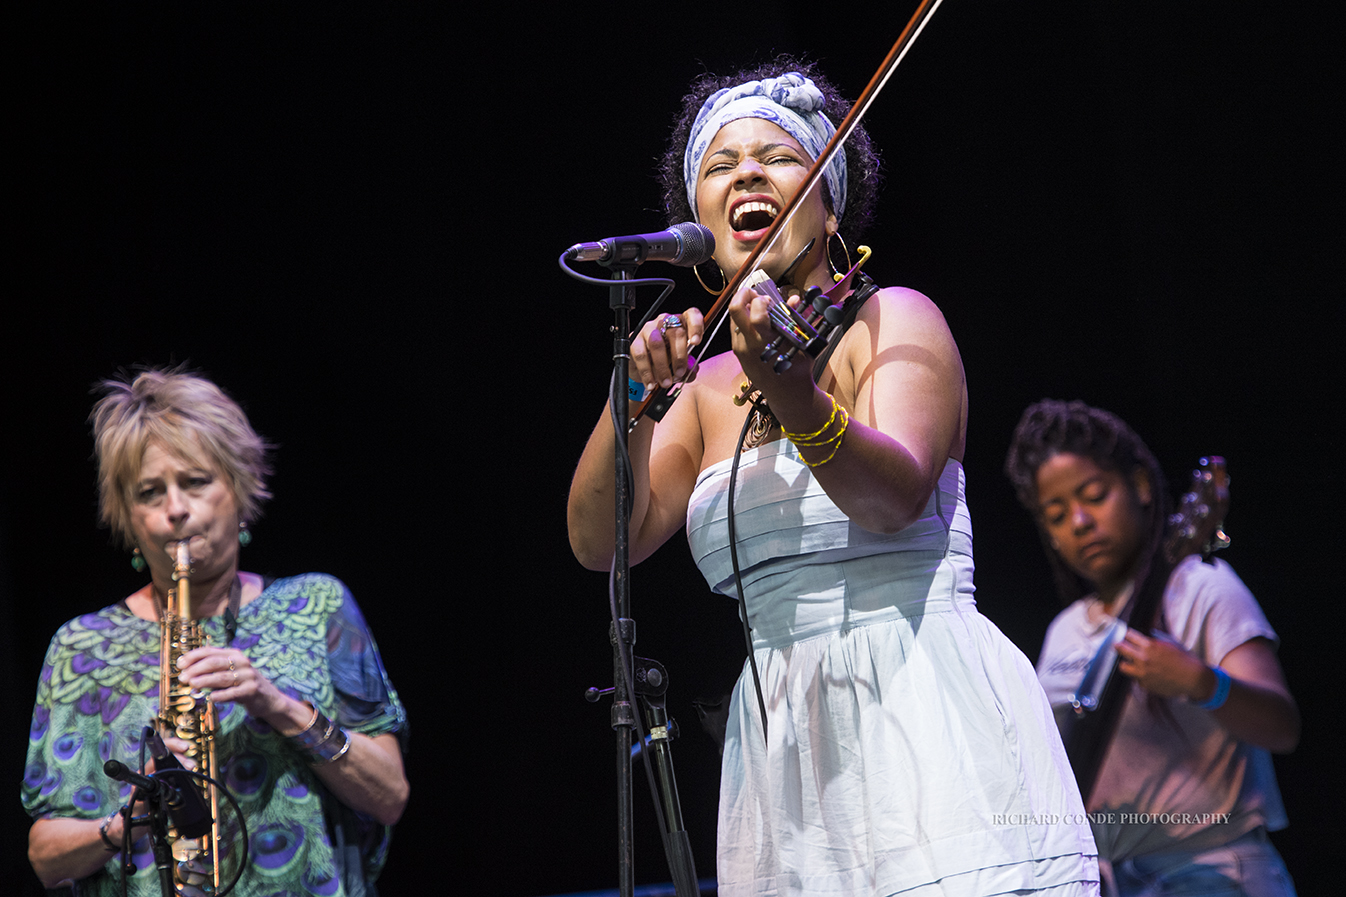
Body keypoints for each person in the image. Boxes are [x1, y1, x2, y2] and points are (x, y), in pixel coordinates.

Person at [568, 59, 1098, 896]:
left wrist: (788, 386)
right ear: (699, 219)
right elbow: (602, 542)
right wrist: (628, 397)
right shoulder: (702, 391)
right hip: (785, 752)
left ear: (828, 202)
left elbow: (891, 500)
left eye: (777, 157)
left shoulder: (892, 319)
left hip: (927, 700)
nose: (746, 171)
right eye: (718, 165)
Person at [22, 368, 409, 896]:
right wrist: (131, 817)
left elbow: (389, 796)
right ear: (129, 519)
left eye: (196, 482)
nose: (177, 510)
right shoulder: (80, 646)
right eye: (150, 493)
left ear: (239, 488)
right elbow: (45, 858)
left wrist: (277, 704)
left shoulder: (317, 604)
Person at [1005, 399, 1299, 896]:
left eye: (1094, 495)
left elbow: (1282, 726)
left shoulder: (1201, 588)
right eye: (1056, 515)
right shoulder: (1064, 631)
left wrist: (1203, 684)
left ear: (1140, 487)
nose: (1078, 521)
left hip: (1214, 868)